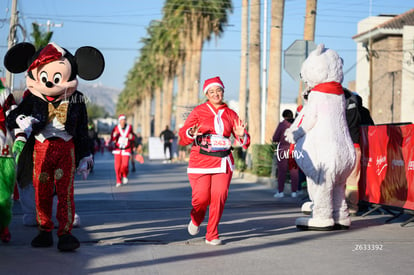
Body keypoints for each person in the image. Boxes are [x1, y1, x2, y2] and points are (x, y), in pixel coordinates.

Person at [178, 76, 250, 245]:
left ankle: (212, 234)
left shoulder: (231, 114)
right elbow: (182, 138)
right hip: (200, 162)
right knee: (201, 199)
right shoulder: (198, 111)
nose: (216, 94)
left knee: (218, 196)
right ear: (207, 94)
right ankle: (196, 218)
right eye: (212, 92)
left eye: (218, 90)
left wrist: (242, 136)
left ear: (223, 92)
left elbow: (244, 140)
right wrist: (190, 133)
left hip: (223, 162)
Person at [344, 88, 374, 215]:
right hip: (356, 146)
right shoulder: (361, 111)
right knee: (352, 180)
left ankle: (341, 206)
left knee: (340, 179)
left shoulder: (339, 110)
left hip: (342, 146)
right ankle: (352, 208)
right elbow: (372, 128)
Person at [272, 109, 299, 198]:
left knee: (281, 172)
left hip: (282, 150)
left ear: (284, 116)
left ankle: (280, 191)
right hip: (294, 149)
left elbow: (275, 138)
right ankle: (294, 192)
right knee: (294, 171)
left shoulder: (282, 125)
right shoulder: (296, 124)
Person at [111, 114, 135, 187]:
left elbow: (133, 136)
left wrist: (131, 137)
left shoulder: (129, 127)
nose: (123, 121)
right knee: (117, 166)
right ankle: (118, 180)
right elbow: (112, 138)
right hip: (118, 149)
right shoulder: (116, 128)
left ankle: (124, 175)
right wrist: (114, 136)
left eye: (124, 120)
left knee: (125, 165)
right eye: (121, 120)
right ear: (119, 121)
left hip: (126, 149)